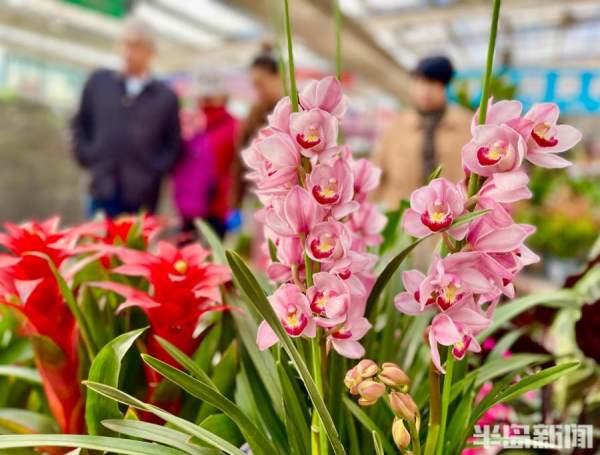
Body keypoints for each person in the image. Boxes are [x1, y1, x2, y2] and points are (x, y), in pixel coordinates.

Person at [71, 17, 182, 218]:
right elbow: (79, 124)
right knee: (94, 244)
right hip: (100, 187)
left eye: (137, 46)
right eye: (125, 44)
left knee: (135, 248)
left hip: (142, 196)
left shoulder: (166, 96)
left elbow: (173, 144)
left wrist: (153, 171)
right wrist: (89, 155)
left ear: (151, 52)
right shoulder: (99, 82)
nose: (129, 52)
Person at [374, 55, 472, 209]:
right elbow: (376, 171)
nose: (425, 90)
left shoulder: (466, 124)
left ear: (444, 87)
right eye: (420, 82)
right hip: (401, 219)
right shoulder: (397, 126)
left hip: (450, 220)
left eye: (433, 83)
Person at [239, 46, 283, 147]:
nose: (258, 90)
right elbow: (243, 149)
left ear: (277, 77)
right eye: (254, 85)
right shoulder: (256, 112)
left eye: (261, 83)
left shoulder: (294, 107)